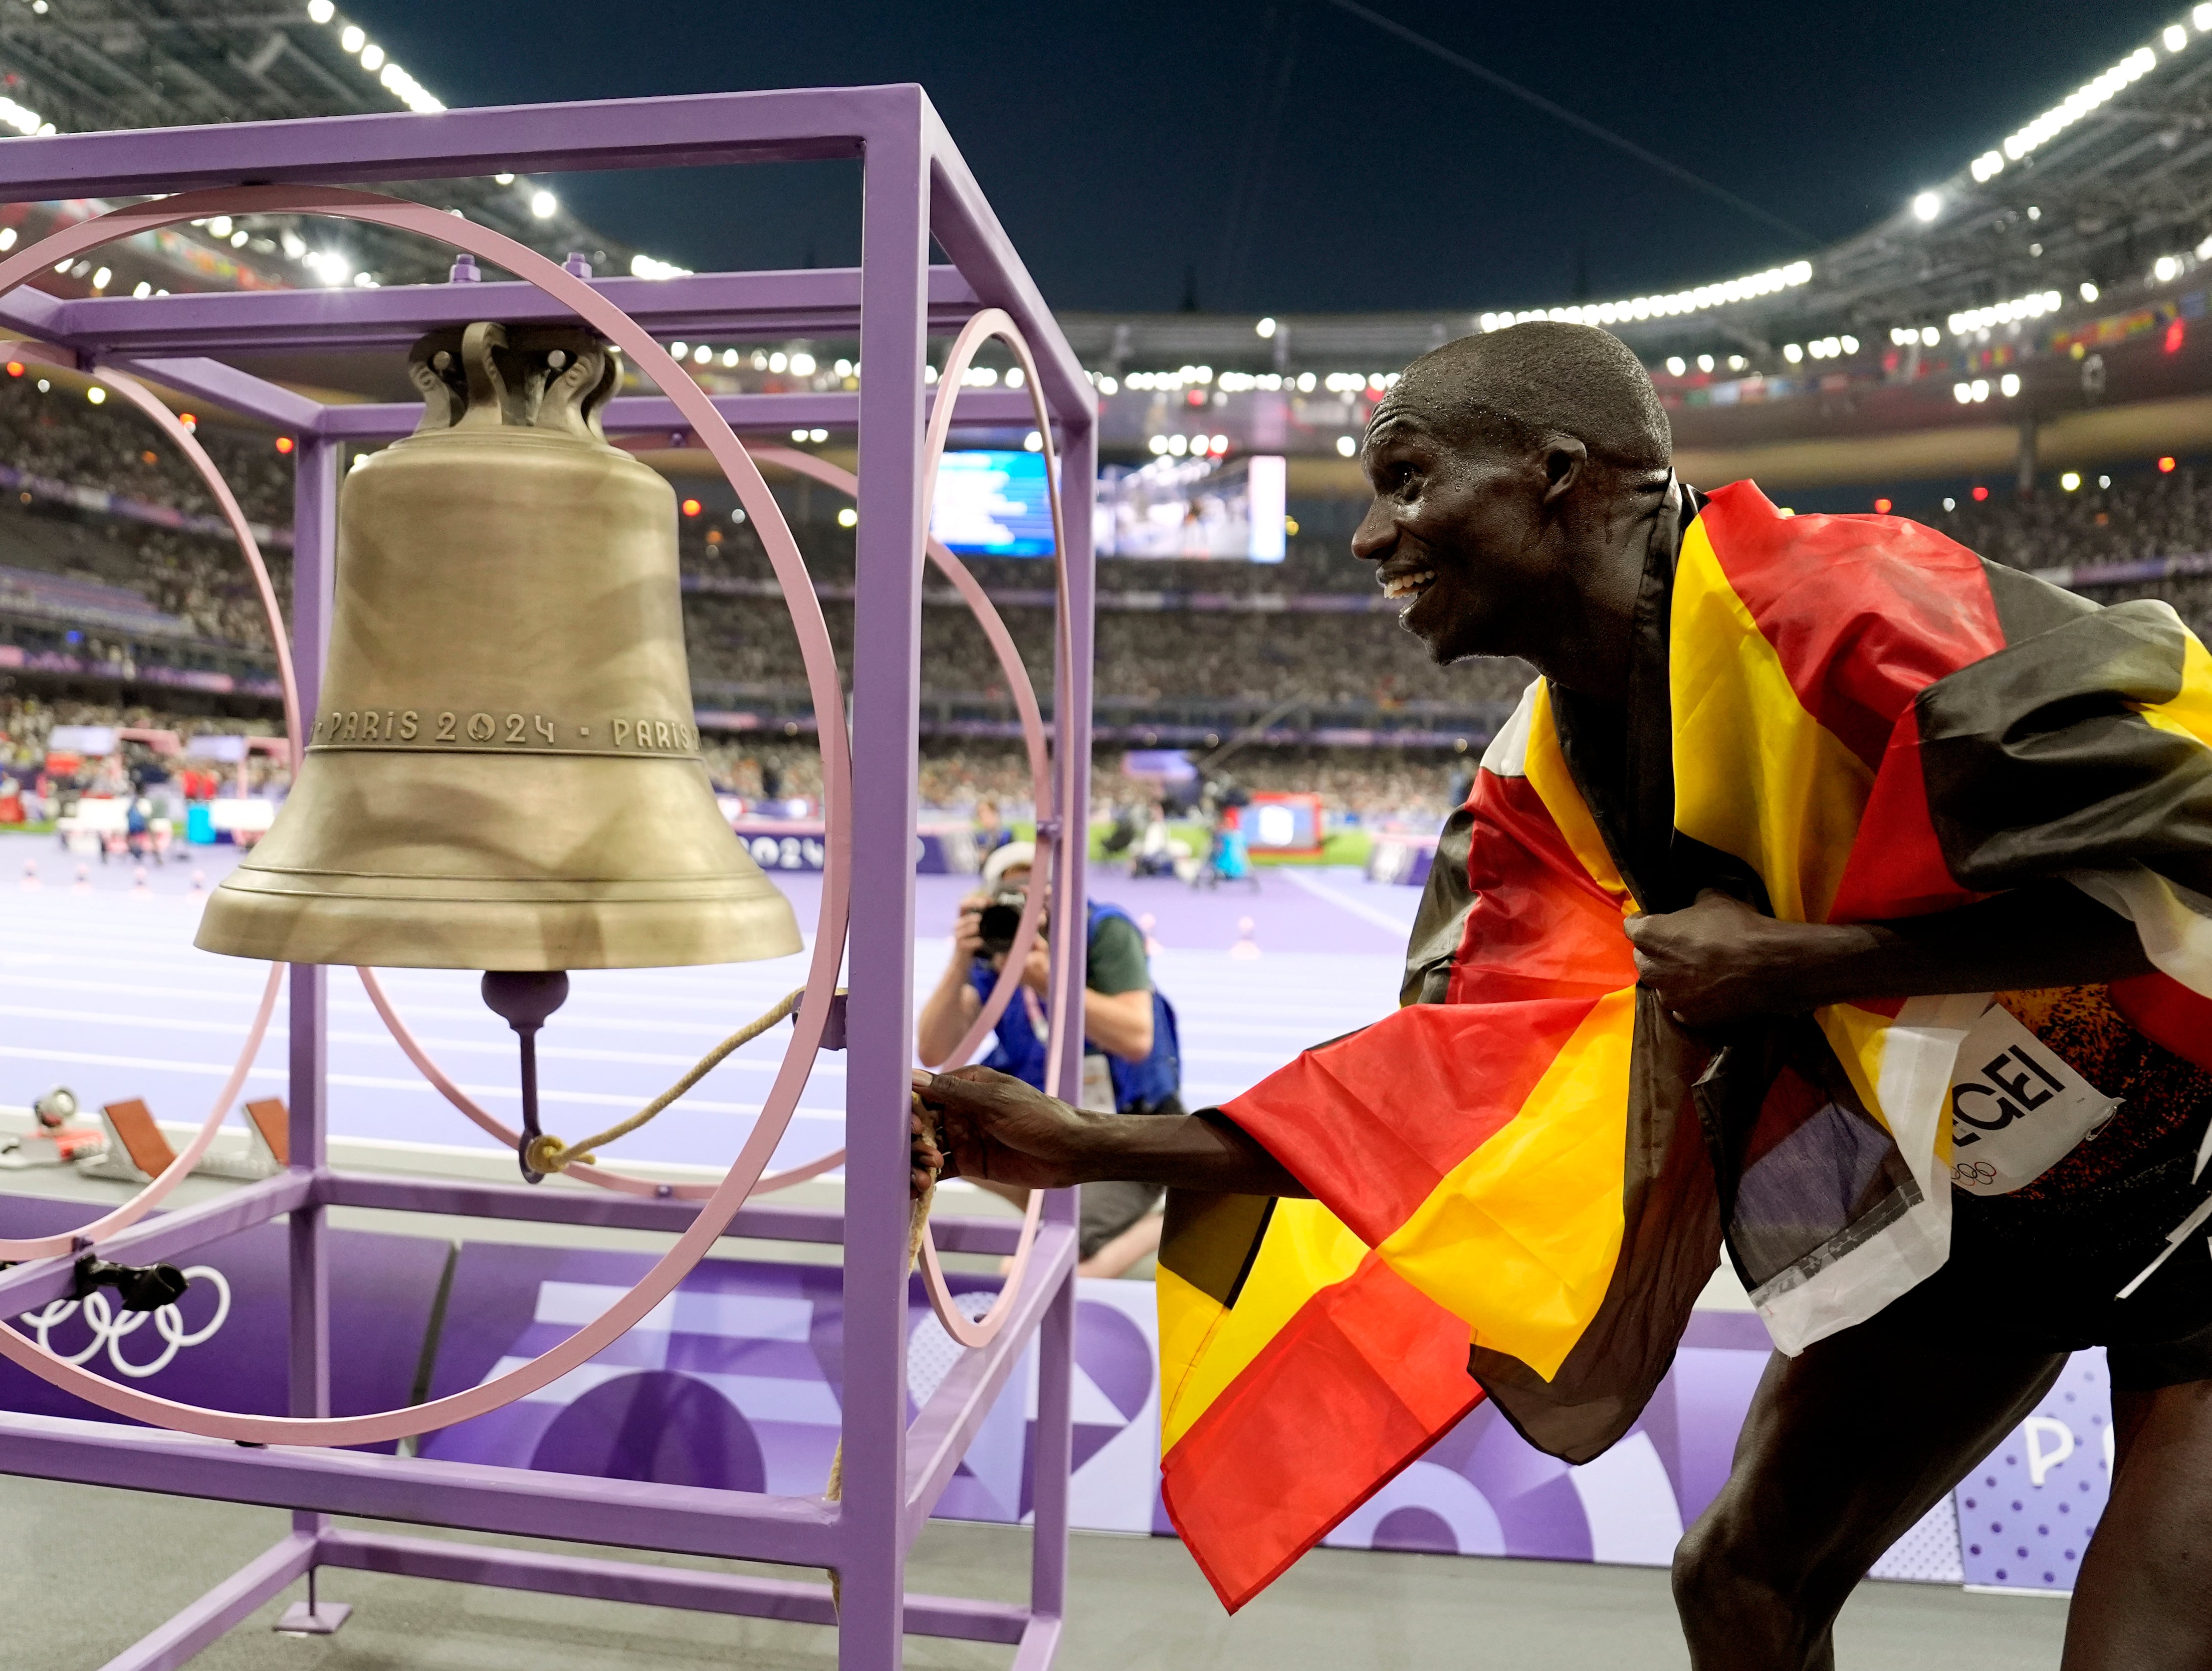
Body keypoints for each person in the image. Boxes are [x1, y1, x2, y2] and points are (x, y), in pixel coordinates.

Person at [914, 319, 2212, 1661]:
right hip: (1993, 1218)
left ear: (1556, 471)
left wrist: (1813, 962)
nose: (1370, 534)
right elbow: (1442, 1105)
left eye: (1407, 477)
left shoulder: (1855, 610)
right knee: (1739, 1582)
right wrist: (1087, 1145)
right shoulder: (1539, 794)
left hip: (2202, 1178)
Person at [917, 842, 1182, 1277]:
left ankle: (1156, 1220)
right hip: (1050, 1124)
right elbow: (934, 1049)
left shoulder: (1102, 931)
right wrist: (961, 959)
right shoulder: (996, 947)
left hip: (1130, 1127)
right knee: (939, 1130)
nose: (1027, 902)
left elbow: (1137, 1038)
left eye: (1036, 886)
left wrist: (1047, 980)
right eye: (1013, 891)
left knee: (1035, 1271)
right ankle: (1061, 1208)